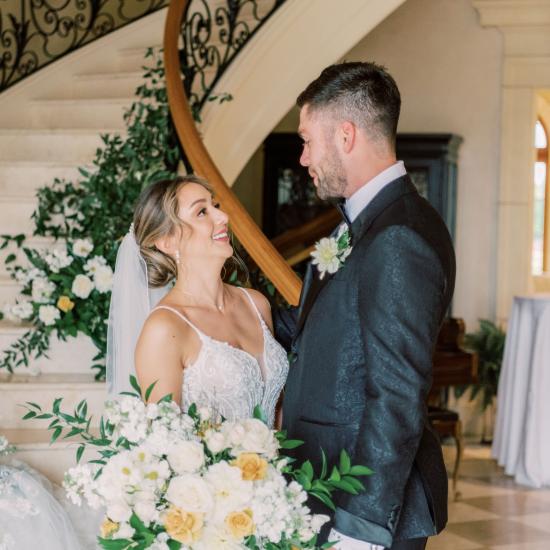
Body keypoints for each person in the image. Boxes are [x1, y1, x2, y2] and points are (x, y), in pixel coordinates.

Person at [280, 62, 455, 550]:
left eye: (308, 140)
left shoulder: (398, 236)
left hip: (360, 505)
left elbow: (397, 394)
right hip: (329, 486)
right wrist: (226, 305)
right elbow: (323, 330)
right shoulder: (372, 222)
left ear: (346, 135)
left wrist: (360, 528)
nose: (303, 157)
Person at [107, 175, 288, 428]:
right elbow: (165, 440)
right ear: (168, 241)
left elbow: (278, 412)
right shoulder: (165, 328)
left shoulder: (256, 304)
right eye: (202, 212)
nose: (222, 217)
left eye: (215, 206)